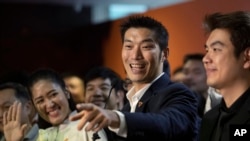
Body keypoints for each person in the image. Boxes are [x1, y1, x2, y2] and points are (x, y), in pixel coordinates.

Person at [70, 15, 200, 141]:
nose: (135, 55)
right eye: (129, 46)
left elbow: (167, 123)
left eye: (146, 47)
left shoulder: (177, 93)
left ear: (164, 54)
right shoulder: (128, 107)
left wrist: (115, 117)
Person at [3, 68, 107, 141]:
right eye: (40, 101)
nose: (49, 104)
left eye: (53, 95)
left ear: (66, 92)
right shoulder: (41, 137)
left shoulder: (89, 125)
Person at [199, 11, 250, 141]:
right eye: (207, 50)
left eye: (216, 49)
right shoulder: (210, 118)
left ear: (247, 57)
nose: (205, 59)